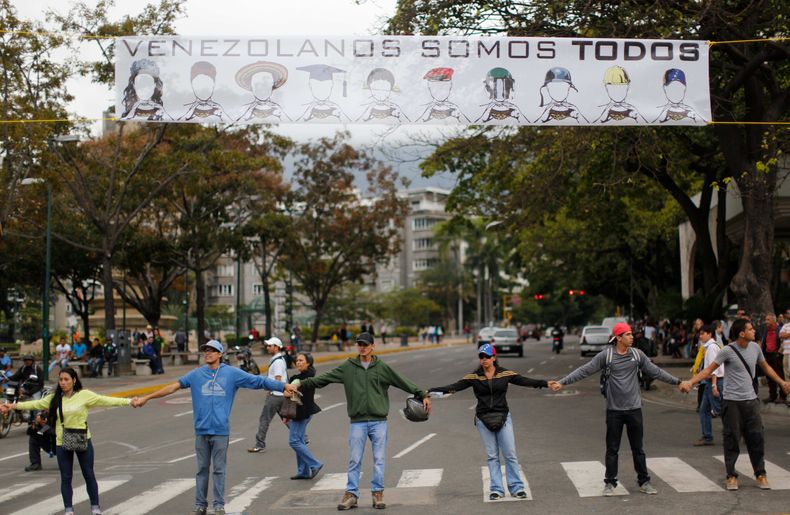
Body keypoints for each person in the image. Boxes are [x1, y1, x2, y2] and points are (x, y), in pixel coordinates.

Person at [134, 340, 295, 515]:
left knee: (219, 470)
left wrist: (283, 385)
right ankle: (200, 505)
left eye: (212, 351)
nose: (208, 353)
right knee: (202, 470)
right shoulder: (196, 374)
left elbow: (258, 381)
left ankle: (219, 505)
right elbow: (173, 387)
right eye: (205, 351)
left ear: (220, 354)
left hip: (220, 431)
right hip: (201, 431)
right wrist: (147, 397)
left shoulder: (231, 374)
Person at [298, 332, 431, 510]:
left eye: (365, 344)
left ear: (372, 346)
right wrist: (299, 384)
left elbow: (402, 381)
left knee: (379, 459)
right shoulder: (348, 367)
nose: (362, 347)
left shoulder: (382, 367)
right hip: (358, 421)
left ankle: (378, 493)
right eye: (359, 344)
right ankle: (351, 494)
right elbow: (323, 379)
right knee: (354, 459)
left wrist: (422, 394)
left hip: (379, 422)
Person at [551, 322, 682, 496]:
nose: (632, 337)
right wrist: (562, 382)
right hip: (614, 411)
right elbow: (585, 370)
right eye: (627, 334)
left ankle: (644, 481)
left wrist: (679, 382)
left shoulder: (637, 354)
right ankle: (610, 483)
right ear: (618, 338)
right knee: (612, 449)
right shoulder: (607, 356)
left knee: (638, 449)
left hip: (634, 409)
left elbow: (656, 371)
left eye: (631, 334)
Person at [0, 367, 136, 515]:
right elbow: (35, 404)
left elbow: (106, 401)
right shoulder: (55, 398)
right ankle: (68, 510)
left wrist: (130, 401)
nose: (63, 383)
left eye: (66, 380)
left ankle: (95, 508)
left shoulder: (84, 395)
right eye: (61, 380)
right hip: (62, 441)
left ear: (74, 380)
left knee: (89, 474)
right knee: (66, 477)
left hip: (82, 439)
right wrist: (12, 406)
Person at [680, 318, 790, 490]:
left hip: (751, 401)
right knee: (732, 439)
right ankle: (731, 475)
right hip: (731, 402)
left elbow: (766, 367)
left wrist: (782, 383)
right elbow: (709, 370)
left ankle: (760, 474)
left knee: (756, 438)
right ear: (742, 333)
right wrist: (690, 382)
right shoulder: (728, 351)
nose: (754, 331)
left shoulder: (755, 348)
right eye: (751, 329)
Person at [429, 343, 546, 500]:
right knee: (492, 456)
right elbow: (453, 387)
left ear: (494, 358)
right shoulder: (474, 376)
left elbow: (525, 381)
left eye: (487, 357)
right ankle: (496, 489)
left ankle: (517, 487)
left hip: (503, 417)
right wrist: (429, 391)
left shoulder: (505, 373)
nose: (484, 360)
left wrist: (545, 383)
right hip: (483, 419)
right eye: (481, 357)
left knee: (510, 454)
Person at [286, 353, 323, 480]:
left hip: (302, 413)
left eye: (301, 360)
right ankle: (303, 471)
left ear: (308, 363)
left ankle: (315, 464)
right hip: (300, 411)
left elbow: (290, 392)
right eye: (297, 360)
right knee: (300, 441)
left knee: (294, 441)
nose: (298, 362)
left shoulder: (305, 377)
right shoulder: (300, 377)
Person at [248, 336, 288, 453]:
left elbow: (278, 379)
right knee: (287, 419)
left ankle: (260, 444)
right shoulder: (277, 359)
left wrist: (271, 390)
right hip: (280, 395)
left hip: (275, 395)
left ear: (277, 347)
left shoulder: (278, 362)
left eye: (270, 346)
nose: (268, 347)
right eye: (268, 345)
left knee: (264, 419)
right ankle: (303, 438)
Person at [694, 324, 725, 446]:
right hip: (710, 382)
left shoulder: (711, 348)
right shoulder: (710, 346)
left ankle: (738, 431)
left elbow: (713, 369)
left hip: (715, 382)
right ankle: (707, 437)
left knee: (720, 410)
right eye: (700, 333)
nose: (700, 336)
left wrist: (713, 385)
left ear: (710, 334)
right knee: (704, 410)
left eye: (703, 333)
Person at [759, 313, 786, 404]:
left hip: (776, 356)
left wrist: (778, 353)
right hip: (767, 355)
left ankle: (782, 396)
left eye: (768, 320)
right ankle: (772, 396)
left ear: (774, 321)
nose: (766, 322)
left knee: (779, 376)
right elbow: (764, 342)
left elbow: (782, 343)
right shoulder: (766, 330)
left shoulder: (779, 330)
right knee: (769, 377)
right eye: (766, 319)